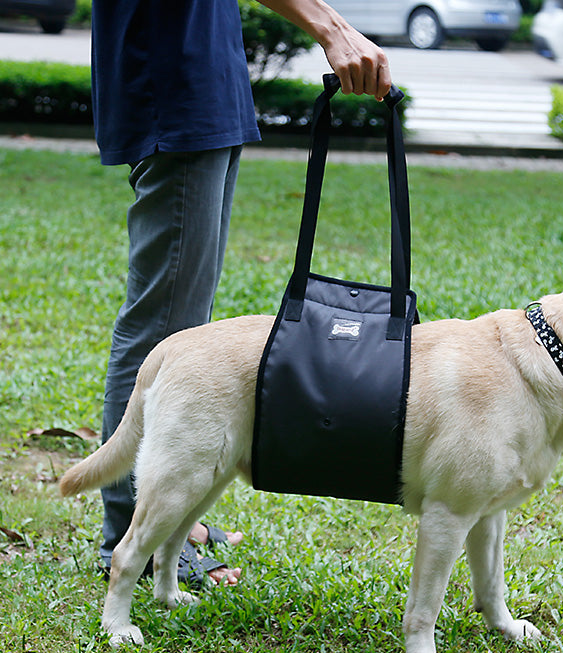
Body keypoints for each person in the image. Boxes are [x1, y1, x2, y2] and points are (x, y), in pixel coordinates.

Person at [91, 0, 392, 587]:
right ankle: (133, 536)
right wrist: (331, 28)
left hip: (205, 83)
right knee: (162, 324)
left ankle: (167, 517)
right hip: (174, 84)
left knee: (184, 324)